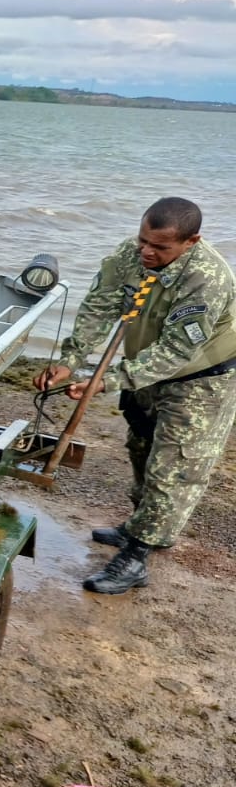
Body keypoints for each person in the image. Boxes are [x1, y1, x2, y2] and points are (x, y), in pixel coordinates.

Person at [33, 196, 236, 593]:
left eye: (160, 248)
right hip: (147, 370)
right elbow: (99, 305)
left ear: (191, 242)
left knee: (173, 467)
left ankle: (137, 557)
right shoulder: (131, 254)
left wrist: (107, 380)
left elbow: (179, 351)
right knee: (140, 447)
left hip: (202, 378)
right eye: (144, 240)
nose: (146, 251)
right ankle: (139, 526)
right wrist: (71, 360)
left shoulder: (207, 278)